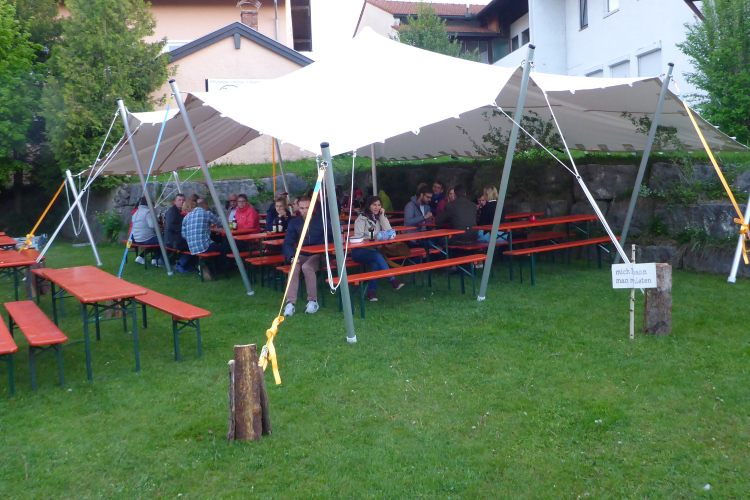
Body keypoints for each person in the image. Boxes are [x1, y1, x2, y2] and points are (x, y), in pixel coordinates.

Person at [281, 196, 334, 316]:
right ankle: (290, 303)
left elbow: (332, 238)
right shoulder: (294, 223)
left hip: (319, 254)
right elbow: (287, 243)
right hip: (302, 254)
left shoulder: (322, 220)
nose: (305, 211)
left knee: (307, 267)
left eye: (307, 208)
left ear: (312, 207)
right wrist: (292, 257)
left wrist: (326, 251)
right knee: (294, 267)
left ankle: (313, 301)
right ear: (298, 208)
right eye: (302, 208)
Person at [351, 195, 404, 302]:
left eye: (379, 205)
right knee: (377, 256)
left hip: (373, 250)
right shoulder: (361, 219)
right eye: (374, 205)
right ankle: (392, 279)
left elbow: (390, 232)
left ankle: (371, 292)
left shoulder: (379, 218)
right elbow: (358, 238)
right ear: (369, 206)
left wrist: (383, 216)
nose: (377, 207)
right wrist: (374, 238)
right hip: (359, 251)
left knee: (376, 261)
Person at [176, 198, 222, 279]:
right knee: (224, 249)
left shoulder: (187, 217)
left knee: (215, 245)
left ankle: (205, 266)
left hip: (191, 247)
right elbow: (220, 223)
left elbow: (183, 235)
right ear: (205, 205)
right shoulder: (207, 213)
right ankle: (214, 269)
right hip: (204, 246)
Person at [131, 197, 164, 267]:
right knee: (164, 240)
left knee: (157, 241)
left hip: (137, 239)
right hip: (147, 238)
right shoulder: (147, 212)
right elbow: (152, 225)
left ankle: (151, 258)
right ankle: (159, 260)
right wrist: (160, 232)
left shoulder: (136, 213)